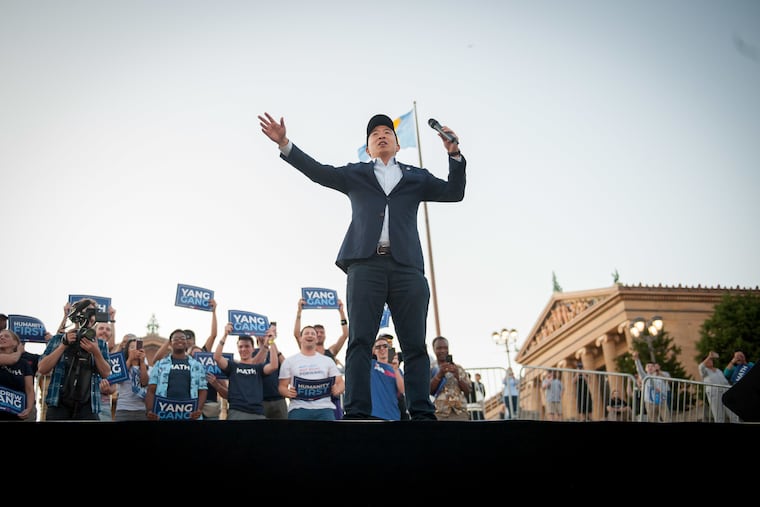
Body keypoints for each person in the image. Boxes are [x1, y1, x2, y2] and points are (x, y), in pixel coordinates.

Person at [259, 111, 465, 421]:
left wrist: (455, 155)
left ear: (397, 145)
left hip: (407, 268)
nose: (382, 135)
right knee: (360, 341)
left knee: (414, 346)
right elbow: (319, 172)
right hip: (365, 266)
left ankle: (422, 412)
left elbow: (454, 192)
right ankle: (357, 413)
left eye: (388, 132)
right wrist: (285, 143)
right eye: (374, 134)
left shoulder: (416, 177)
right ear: (368, 148)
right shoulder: (356, 174)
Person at [37, 299, 113, 420]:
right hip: (58, 404)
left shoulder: (101, 344)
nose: (89, 317)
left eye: (92, 313)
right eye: (86, 312)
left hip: (88, 406)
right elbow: (42, 368)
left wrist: (96, 352)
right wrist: (63, 345)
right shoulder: (58, 339)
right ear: (75, 315)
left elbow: (106, 373)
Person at [293, 297, 348, 419]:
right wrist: (299, 312)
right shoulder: (305, 349)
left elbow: (345, 335)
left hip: (331, 399)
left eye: (321, 332)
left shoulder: (331, 352)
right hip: (308, 399)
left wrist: (341, 312)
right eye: (316, 332)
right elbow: (297, 335)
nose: (319, 334)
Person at [214, 323, 279, 420]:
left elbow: (274, 366)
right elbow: (217, 357)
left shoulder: (258, 368)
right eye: (240, 347)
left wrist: (271, 341)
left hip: (257, 412)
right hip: (236, 411)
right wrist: (225, 335)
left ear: (253, 349)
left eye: (247, 346)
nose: (243, 349)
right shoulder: (233, 366)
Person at [278, 325, 344, 420]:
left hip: (324, 409)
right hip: (298, 408)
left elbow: (341, 383)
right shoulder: (289, 361)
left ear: (317, 339)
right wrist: (287, 392)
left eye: (313, 334)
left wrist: (338, 390)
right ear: (300, 338)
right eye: (306, 333)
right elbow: (282, 386)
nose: (310, 335)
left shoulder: (327, 361)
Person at [145, 329, 208, 421]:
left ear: (186, 343)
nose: (179, 340)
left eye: (183, 338)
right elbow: (151, 390)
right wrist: (150, 410)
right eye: (176, 338)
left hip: (189, 414)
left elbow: (202, 390)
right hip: (164, 414)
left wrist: (198, 409)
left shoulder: (197, 365)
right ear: (170, 343)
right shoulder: (160, 365)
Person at [429, 336, 470, 421]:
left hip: (460, 413)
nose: (443, 351)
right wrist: (439, 375)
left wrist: (458, 377)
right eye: (439, 348)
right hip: (439, 413)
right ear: (434, 349)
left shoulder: (458, 368)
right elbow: (429, 391)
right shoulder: (431, 369)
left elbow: (468, 391)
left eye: (445, 348)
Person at [0, 329, 35, 421]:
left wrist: (29, 408)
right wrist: (19, 351)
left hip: (15, 412)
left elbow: (30, 389)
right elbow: (13, 359)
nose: (2, 337)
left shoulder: (24, 364)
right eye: (0, 336)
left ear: (15, 343)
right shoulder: (13, 357)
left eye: (6, 336)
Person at [113, 336, 150, 421]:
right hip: (123, 409)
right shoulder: (120, 366)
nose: (135, 350)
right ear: (127, 350)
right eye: (132, 347)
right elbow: (119, 379)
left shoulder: (147, 368)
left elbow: (144, 382)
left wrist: (142, 362)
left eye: (137, 347)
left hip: (141, 409)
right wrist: (130, 359)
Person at [254, 323, 287, 419]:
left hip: (279, 399)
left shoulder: (275, 352)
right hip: (261, 400)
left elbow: (286, 366)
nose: (265, 336)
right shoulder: (252, 353)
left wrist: (272, 342)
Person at [369, 335, 404, 420]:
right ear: (374, 351)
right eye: (378, 347)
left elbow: (402, 390)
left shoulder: (397, 370)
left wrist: (395, 369)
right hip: (374, 414)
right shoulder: (370, 364)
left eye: (385, 346)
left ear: (390, 348)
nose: (382, 349)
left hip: (393, 415)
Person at [698, 351, 739, 423]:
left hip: (725, 393)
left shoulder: (718, 370)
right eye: (709, 360)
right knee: (719, 416)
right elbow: (701, 366)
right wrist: (709, 356)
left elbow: (725, 382)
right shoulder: (704, 371)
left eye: (711, 360)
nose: (711, 361)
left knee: (734, 414)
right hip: (714, 395)